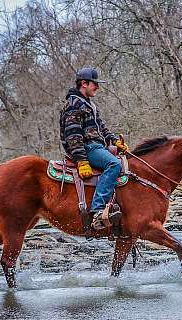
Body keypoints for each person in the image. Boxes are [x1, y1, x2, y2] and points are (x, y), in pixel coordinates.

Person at [59, 67, 128, 229]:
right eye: (94, 84)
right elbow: (73, 135)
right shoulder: (73, 104)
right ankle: (97, 210)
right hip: (88, 148)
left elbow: (101, 128)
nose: (97, 87)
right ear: (84, 83)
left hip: (97, 146)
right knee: (114, 165)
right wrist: (81, 160)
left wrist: (113, 140)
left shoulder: (88, 104)